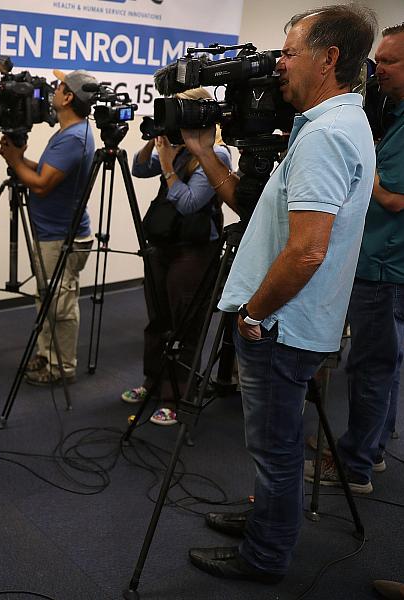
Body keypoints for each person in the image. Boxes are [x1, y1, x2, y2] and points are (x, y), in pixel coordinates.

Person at [182, 5, 377, 583]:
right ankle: (266, 523)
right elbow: (266, 215)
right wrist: (200, 148)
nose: (279, 65)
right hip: (292, 321)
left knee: (277, 450)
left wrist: (252, 314)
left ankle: (264, 556)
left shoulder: (326, 135)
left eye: (289, 53)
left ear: (329, 59)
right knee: (276, 445)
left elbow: (307, 249)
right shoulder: (336, 124)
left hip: (281, 325)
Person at [304, 22, 404, 495]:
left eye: (390, 62)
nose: (377, 70)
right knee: (385, 363)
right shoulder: (394, 115)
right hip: (384, 265)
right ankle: (373, 448)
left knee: (368, 366)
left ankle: (354, 464)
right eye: (378, 60)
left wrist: (356, 171)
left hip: (383, 268)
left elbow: (395, 199)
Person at [123, 88, 232, 426]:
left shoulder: (217, 155)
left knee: (184, 323)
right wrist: (153, 139)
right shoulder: (178, 147)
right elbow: (139, 169)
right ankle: (152, 382)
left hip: (194, 249)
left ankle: (176, 395)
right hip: (164, 246)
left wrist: (168, 166)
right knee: (158, 319)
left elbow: (188, 202)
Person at [0, 69, 95, 385]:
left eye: (59, 86)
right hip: (52, 234)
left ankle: (62, 367)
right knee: (48, 297)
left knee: (61, 304)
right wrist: (19, 158)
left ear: (68, 98)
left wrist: (14, 162)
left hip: (61, 238)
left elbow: (40, 185)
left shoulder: (73, 138)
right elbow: (46, 172)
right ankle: (46, 355)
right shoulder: (70, 133)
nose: (52, 89)